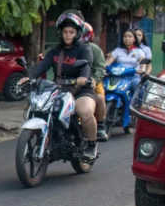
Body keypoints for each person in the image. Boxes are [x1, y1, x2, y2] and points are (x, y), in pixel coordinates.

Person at [19, 11, 97, 160]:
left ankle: (92, 144)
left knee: (85, 112)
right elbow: (42, 65)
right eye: (65, 32)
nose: (68, 35)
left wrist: (83, 78)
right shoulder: (55, 51)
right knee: (41, 108)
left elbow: (86, 66)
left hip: (81, 89)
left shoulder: (84, 49)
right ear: (60, 33)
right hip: (60, 88)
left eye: (71, 32)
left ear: (77, 33)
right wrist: (28, 78)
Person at [81, 23, 109, 142]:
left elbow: (100, 68)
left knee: (99, 97)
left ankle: (101, 126)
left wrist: (94, 79)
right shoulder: (66, 49)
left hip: (91, 80)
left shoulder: (94, 49)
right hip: (72, 81)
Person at [106, 29, 146, 96]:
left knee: (139, 87)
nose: (127, 38)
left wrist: (142, 69)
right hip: (117, 76)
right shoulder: (118, 50)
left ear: (134, 39)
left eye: (129, 36)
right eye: (125, 36)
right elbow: (108, 62)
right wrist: (104, 68)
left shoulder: (139, 51)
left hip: (133, 76)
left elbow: (143, 64)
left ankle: (139, 106)